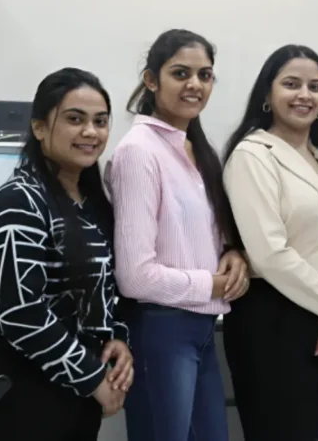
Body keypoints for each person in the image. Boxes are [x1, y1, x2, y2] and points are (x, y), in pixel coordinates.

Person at [0, 68, 133, 440]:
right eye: (75, 119)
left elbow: (105, 286)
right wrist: (91, 378)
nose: (91, 132)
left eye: (100, 121)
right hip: (15, 402)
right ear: (38, 127)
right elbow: (20, 312)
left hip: (72, 403)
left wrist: (117, 337)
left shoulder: (92, 205)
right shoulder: (18, 201)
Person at [108, 29, 249, 441]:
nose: (195, 85)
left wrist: (233, 254)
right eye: (181, 73)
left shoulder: (194, 149)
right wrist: (213, 285)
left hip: (200, 327)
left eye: (205, 75)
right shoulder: (139, 151)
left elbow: (203, 233)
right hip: (160, 329)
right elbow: (134, 277)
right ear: (151, 80)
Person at [221, 44, 318, 441]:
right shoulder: (253, 154)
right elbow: (268, 254)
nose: (304, 95)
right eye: (291, 84)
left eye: (315, 87)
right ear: (267, 93)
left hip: (312, 313)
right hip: (270, 316)